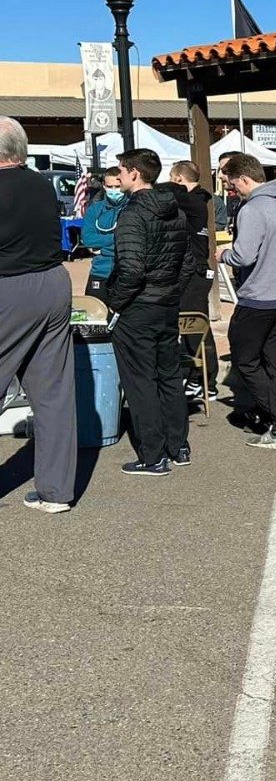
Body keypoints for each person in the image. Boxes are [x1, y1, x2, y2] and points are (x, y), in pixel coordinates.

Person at [0, 118, 78, 514]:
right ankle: (55, 491)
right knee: (53, 392)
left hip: (9, 287)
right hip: (52, 282)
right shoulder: (42, 185)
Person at [108, 148, 196, 475]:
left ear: (135, 173)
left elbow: (131, 269)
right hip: (165, 303)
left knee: (141, 381)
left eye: (121, 171)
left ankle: (153, 455)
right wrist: (172, 291)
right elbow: (188, 262)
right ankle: (178, 445)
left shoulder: (133, 214)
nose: (118, 177)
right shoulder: (175, 211)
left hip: (140, 306)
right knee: (169, 375)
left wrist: (115, 301)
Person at [218, 152, 276, 449]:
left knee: (245, 358)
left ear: (244, 179)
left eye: (233, 185)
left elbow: (243, 255)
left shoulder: (252, 209)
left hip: (260, 298)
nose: (233, 191)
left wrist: (222, 254)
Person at [163, 161, 220, 400]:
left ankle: (206, 381)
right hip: (189, 271)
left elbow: (164, 192)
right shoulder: (194, 198)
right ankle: (196, 378)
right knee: (188, 329)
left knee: (195, 327)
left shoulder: (193, 200)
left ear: (177, 179)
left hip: (195, 272)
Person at [80, 166, 128, 301]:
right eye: (110, 186)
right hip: (100, 271)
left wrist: (103, 249)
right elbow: (87, 238)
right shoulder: (95, 209)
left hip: (124, 273)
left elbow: (130, 241)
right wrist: (116, 239)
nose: (114, 191)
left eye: (117, 186)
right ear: (104, 186)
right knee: (95, 313)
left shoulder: (131, 208)